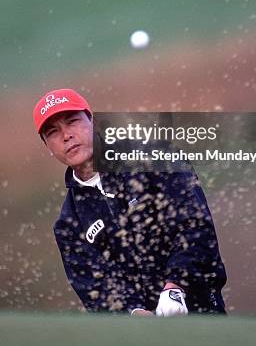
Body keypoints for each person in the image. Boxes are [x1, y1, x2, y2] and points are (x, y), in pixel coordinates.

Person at [33, 88, 227, 316]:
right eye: (53, 132)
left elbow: (196, 225)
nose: (66, 136)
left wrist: (176, 286)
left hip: (202, 310)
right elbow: (97, 289)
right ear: (47, 147)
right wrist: (134, 314)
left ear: (93, 121)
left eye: (72, 122)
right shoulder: (69, 225)